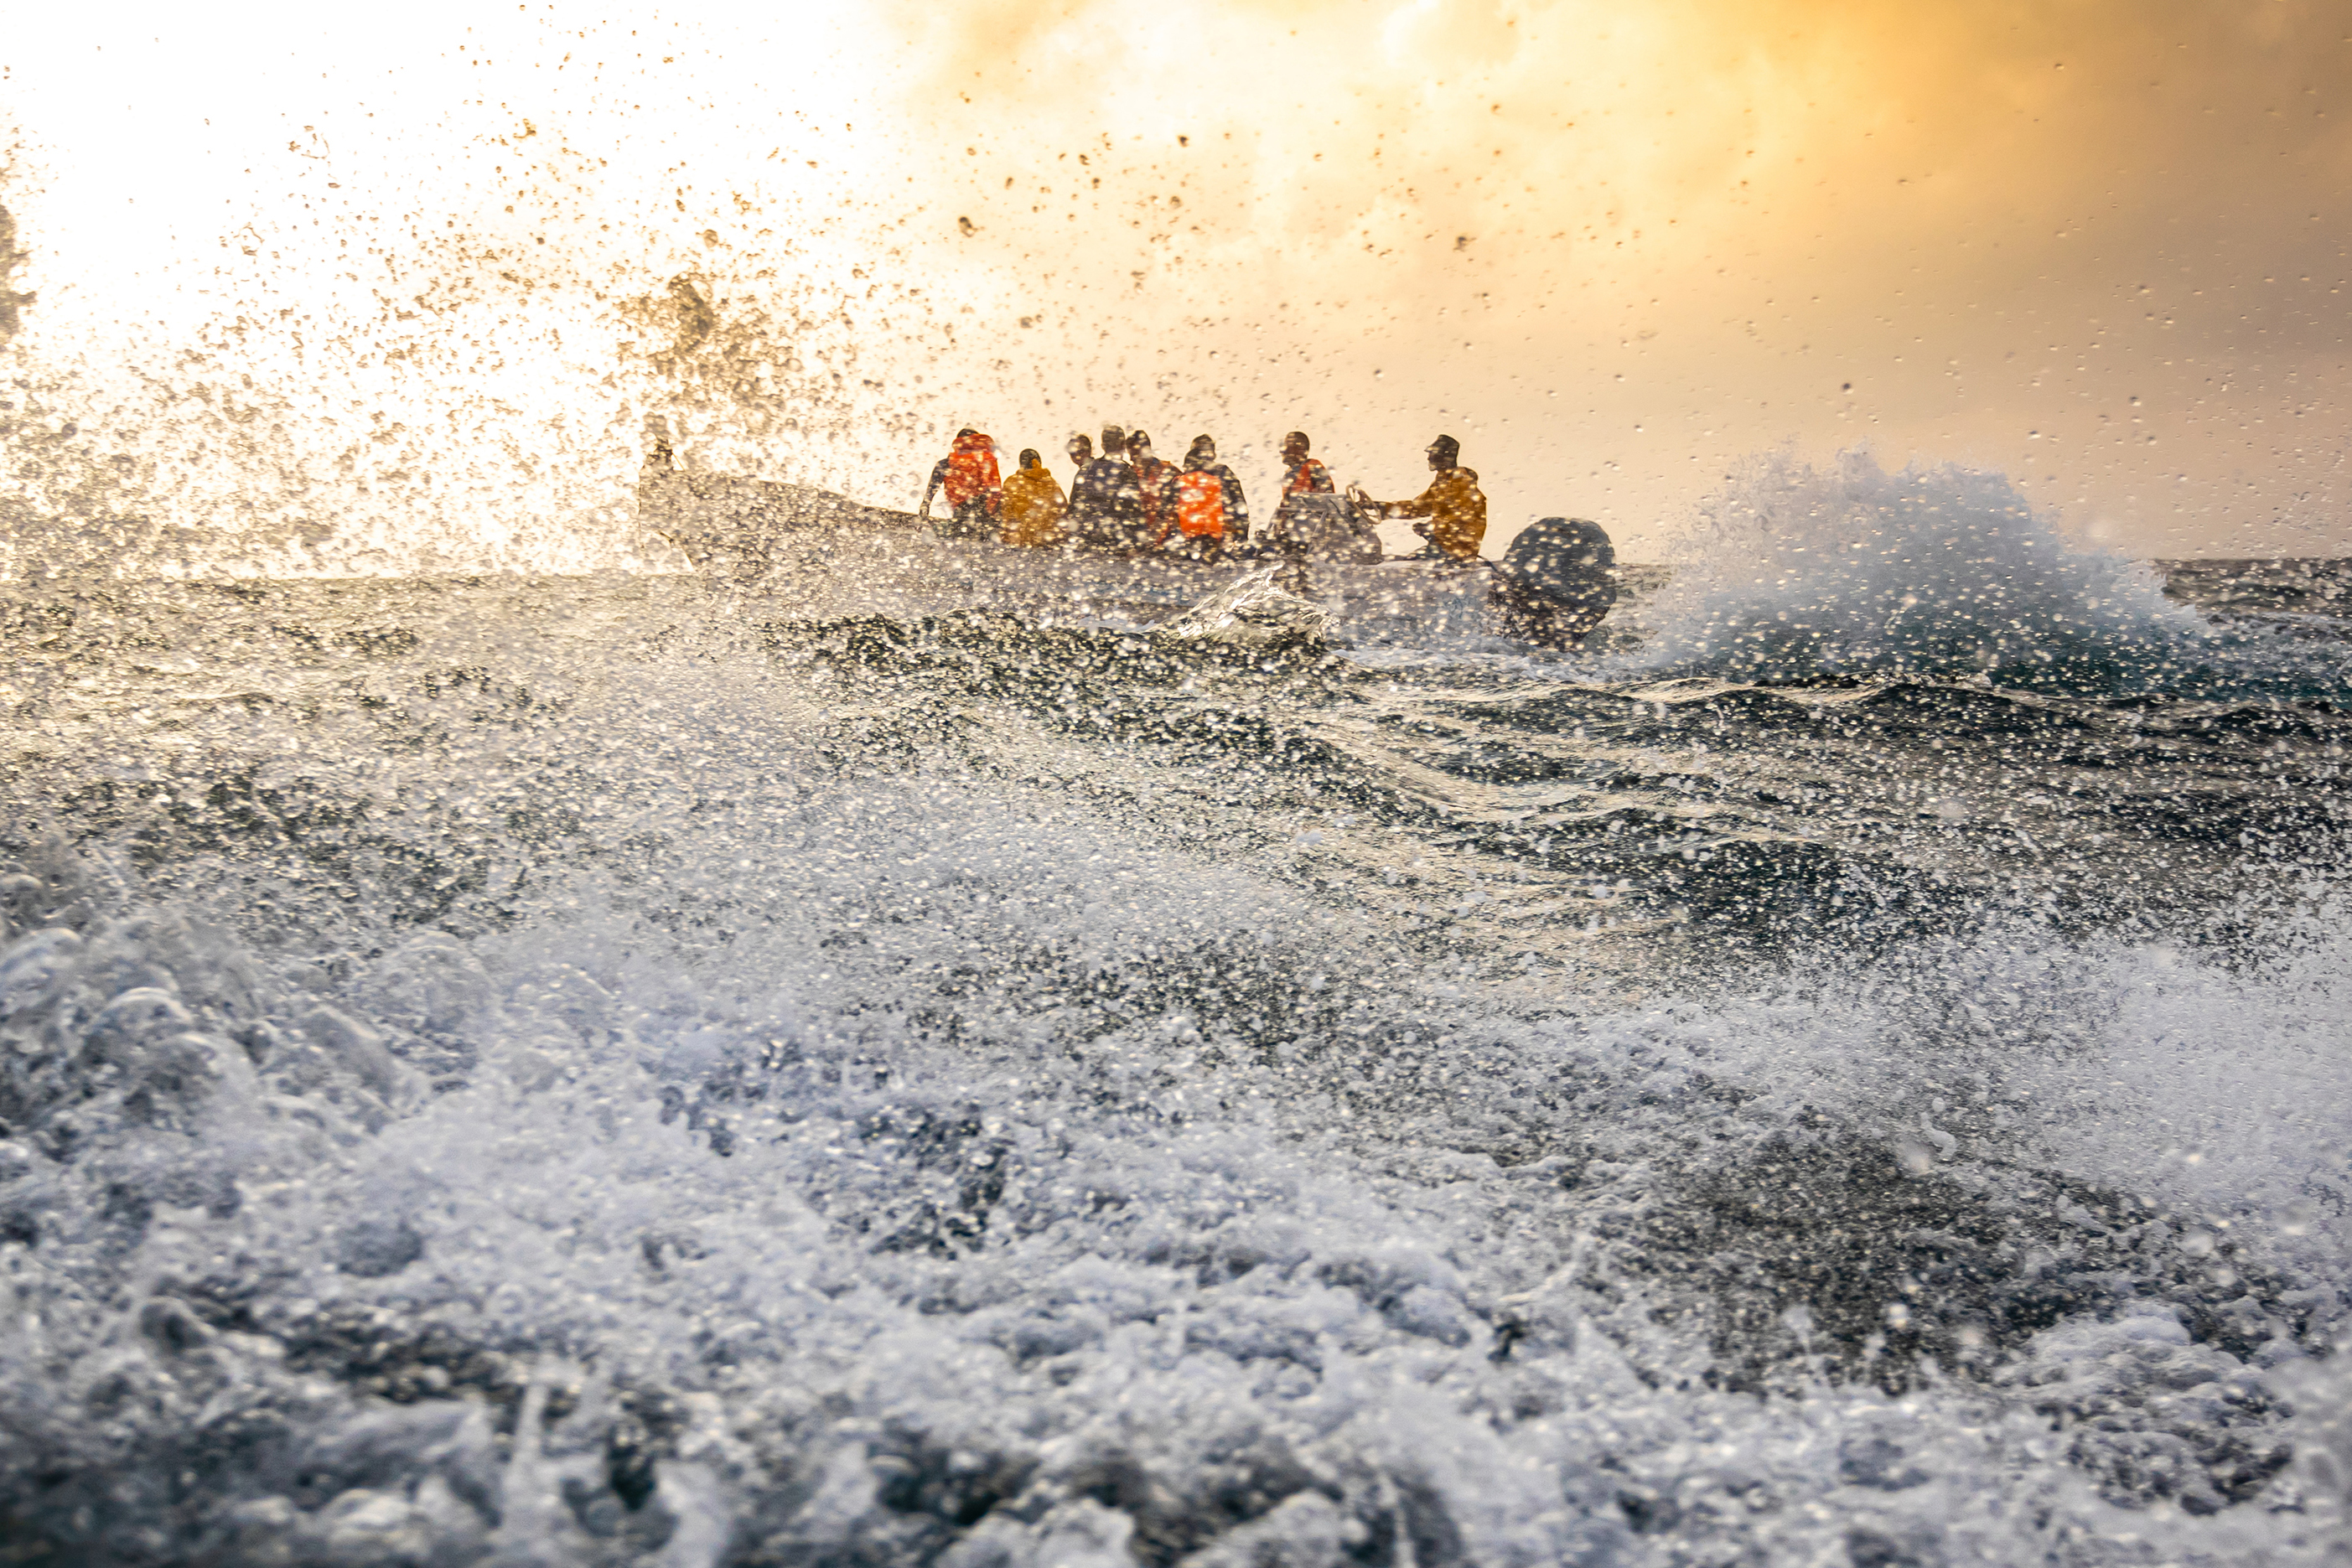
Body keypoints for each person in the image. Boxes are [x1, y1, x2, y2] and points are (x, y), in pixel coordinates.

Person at [1351, 434, 1486, 562]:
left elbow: (1463, 518)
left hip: (1457, 551)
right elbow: (1418, 507)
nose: (1429, 458)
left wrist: (1431, 527)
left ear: (1444, 457)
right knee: (1402, 562)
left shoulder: (1461, 483)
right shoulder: (1443, 481)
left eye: (1432, 454)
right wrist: (1378, 506)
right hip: (1444, 547)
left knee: (1404, 568)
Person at [1166, 435, 1250, 560]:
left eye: (1206, 450)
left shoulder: (1223, 473)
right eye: (1199, 450)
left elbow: (1239, 505)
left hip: (1219, 538)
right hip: (1193, 539)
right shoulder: (1184, 480)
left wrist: (1240, 536)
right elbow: (1171, 511)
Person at [1067, 425, 1144, 551]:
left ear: (1103, 446)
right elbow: (1134, 512)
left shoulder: (1085, 470)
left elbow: (1073, 507)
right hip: (1115, 544)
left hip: (1086, 542)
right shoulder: (1126, 472)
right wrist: (1134, 546)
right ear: (1123, 445)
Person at [921, 427, 1002, 540]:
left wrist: (925, 504)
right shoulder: (986, 460)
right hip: (984, 513)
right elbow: (995, 490)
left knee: (957, 543)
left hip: (962, 512)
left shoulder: (947, 463)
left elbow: (933, 486)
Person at [998, 448, 1066, 547]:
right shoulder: (1051, 483)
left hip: (1020, 541)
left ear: (1021, 465)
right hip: (1047, 541)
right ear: (1039, 463)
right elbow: (1063, 510)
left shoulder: (1012, 482)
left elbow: (1005, 513)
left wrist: (1005, 537)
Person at [1128, 430, 1179, 544]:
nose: (1131, 459)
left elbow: (1178, 505)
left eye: (1134, 454)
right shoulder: (1131, 473)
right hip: (1140, 536)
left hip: (1167, 538)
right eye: (1130, 454)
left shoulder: (1168, 471)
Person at [1279, 432, 1334, 498]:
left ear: (1300, 449)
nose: (1282, 451)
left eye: (1287, 446)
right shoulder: (1288, 475)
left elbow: (1327, 498)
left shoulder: (1313, 468)